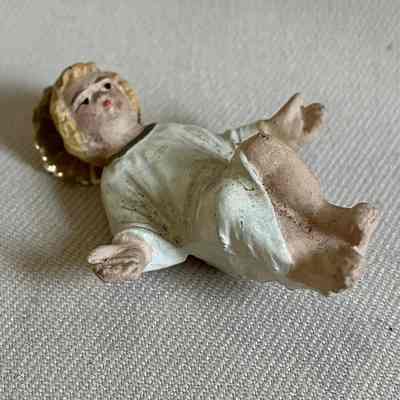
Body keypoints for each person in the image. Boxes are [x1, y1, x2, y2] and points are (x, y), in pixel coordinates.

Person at [34, 62, 378, 294]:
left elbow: (224, 142)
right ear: (82, 139)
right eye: (85, 101)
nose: (103, 96)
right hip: (205, 215)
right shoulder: (117, 175)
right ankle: (311, 265)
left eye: (106, 84)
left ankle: (331, 218)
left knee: (262, 147)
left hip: (229, 169)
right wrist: (135, 252)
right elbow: (135, 222)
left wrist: (278, 129)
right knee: (230, 197)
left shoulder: (168, 129)